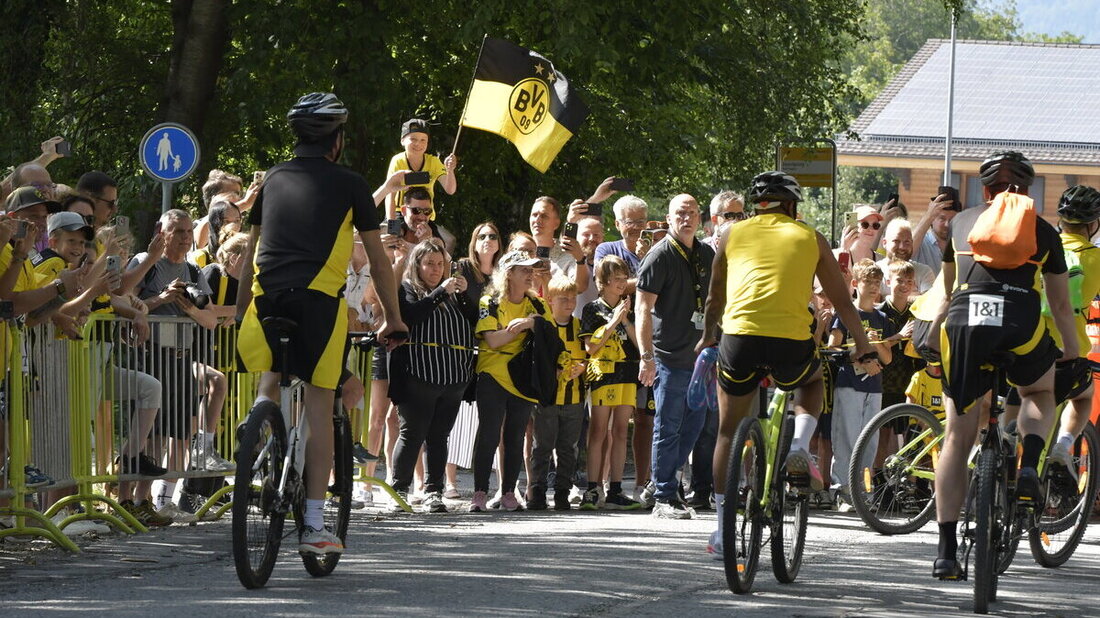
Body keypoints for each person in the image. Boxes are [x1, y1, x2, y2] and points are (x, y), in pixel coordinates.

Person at [235, 92, 408, 555]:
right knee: (319, 405)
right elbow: (378, 260)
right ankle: (313, 525)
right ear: (336, 140)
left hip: (263, 298)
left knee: (272, 366)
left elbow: (250, 250)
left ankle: (258, 420)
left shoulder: (271, 179)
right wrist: (394, 320)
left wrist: (237, 312)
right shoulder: (351, 184)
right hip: (317, 304)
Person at [697, 172, 880, 556]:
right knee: (812, 381)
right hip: (790, 341)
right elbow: (843, 303)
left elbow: (714, 298)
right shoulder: (809, 237)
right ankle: (799, 444)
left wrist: (708, 337)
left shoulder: (731, 234)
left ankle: (719, 530)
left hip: (739, 337)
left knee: (728, 434)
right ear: (792, 206)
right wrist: (863, 347)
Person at [925, 151, 1078, 579]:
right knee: (1038, 392)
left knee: (957, 434)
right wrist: (1071, 349)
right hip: (1020, 320)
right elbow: (1062, 305)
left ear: (983, 188)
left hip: (964, 323)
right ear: (1028, 190)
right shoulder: (1044, 231)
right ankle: (1028, 464)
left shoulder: (959, 223)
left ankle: (946, 552)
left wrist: (932, 334)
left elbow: (950, 289)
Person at [635, 194, 714, 519]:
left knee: (694, 428)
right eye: (680, 213)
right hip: (667, 357)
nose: (687, 218)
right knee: (667, 428)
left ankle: (660, 483)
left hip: (701, 359)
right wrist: (646, 357)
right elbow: (642, 308)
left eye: (692, 213)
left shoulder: (707, 253)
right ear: (668, 218)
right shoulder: (659, 255)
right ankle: (664, 497)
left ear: (700, 218)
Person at [386, 240, 477, 513]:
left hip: (453, 377)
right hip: (418, 374)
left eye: (440, 264)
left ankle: (434, 491)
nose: (436, 269)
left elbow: (475, 320)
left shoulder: (453, 293)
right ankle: (399, 489)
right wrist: (440, 292)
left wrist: (462, 294)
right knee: (411, 433)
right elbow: (412, 316)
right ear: (417, 265)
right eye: (429, 264)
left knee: (440, 436)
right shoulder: (407, 289)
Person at [469, 250, 553, 512]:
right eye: (524, 270)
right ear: (508, 274)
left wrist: (529, 323)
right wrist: (517, 329)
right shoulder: (489, 301)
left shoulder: (538, 305)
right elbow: (492, 340)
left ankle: (508, 493)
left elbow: (550, 336)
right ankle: (479, 493)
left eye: (531, 270)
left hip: (525, 377)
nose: (530, 274)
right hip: (493, 373)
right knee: (489, 434)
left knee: (516, 437)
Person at [1038, 185, 1100, 476]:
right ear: (1092, 224)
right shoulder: (1095, 258)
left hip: (1032, 344)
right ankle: (1064, 445)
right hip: (1070, 350)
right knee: (1083, 397)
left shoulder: (1041, 249)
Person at [827, 259, 895, 509]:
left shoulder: (882, 318)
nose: (874, 287)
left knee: (870, 440)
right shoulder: (846, 314)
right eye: (869, 282)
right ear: (856, 284)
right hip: (850, 383)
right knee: (847, 437)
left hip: (874, 387)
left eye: (878, 282)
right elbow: (833, 348)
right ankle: (842, 490)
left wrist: (876, 344)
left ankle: (864, 493)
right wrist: (860, 357)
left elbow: (887, 358)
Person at [579, 255, 643, 510]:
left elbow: (639, 345)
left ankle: (615, 488)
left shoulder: (631, 307)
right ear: (602, 282)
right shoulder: (592, 309)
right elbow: (591, 347)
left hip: (627, 375)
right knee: (598, 431)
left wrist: (625, 320)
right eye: (615, 279)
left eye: (623, 278)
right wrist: (614, 320)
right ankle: (593, 488)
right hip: (603, 376)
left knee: (619, 432)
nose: (621, 283)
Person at [528, 275, 587, 510]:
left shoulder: (580, 327)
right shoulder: (544, 326)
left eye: (573, 298)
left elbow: (590, 357)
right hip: (547, 399)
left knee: (568, 447)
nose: (570, 303)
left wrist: (581, 367)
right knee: (542, 445)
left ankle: (563, 491)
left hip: (574, 398)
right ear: (550, 300)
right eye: (563, 298)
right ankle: (537, 491)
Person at [383, 118, 457, 220]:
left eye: (423, 140)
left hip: (426, 216)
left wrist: (450, 170)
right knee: (392, 235)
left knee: (442, 236)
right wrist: (393, 228)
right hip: (400, 215)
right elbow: (390, 196)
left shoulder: (434, 162)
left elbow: (450, 190)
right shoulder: (397, 161)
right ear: (402, 140)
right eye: (413, 139)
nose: (418, 144)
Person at [877, 219, 935, 295]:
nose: (902, 247)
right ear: (884, 243)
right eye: (896, 241)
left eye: (907, 242)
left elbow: (928, 303)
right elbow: (871, 304)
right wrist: (913, 297)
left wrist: (885, 298)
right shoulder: (876, 271)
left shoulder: (924, 272)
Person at [912, 189, 961, 276]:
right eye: (942, 219)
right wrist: (928, 215)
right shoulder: (921, 243)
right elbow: (907, 251)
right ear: (932, 219)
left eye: (952, 220)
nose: (947, 224)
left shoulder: (962, 245)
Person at [189, 195, 241, 268]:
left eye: (237, 220)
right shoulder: (200, 257)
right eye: (226, 221)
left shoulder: (245, 255)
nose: (233, 226)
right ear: (215, 223)